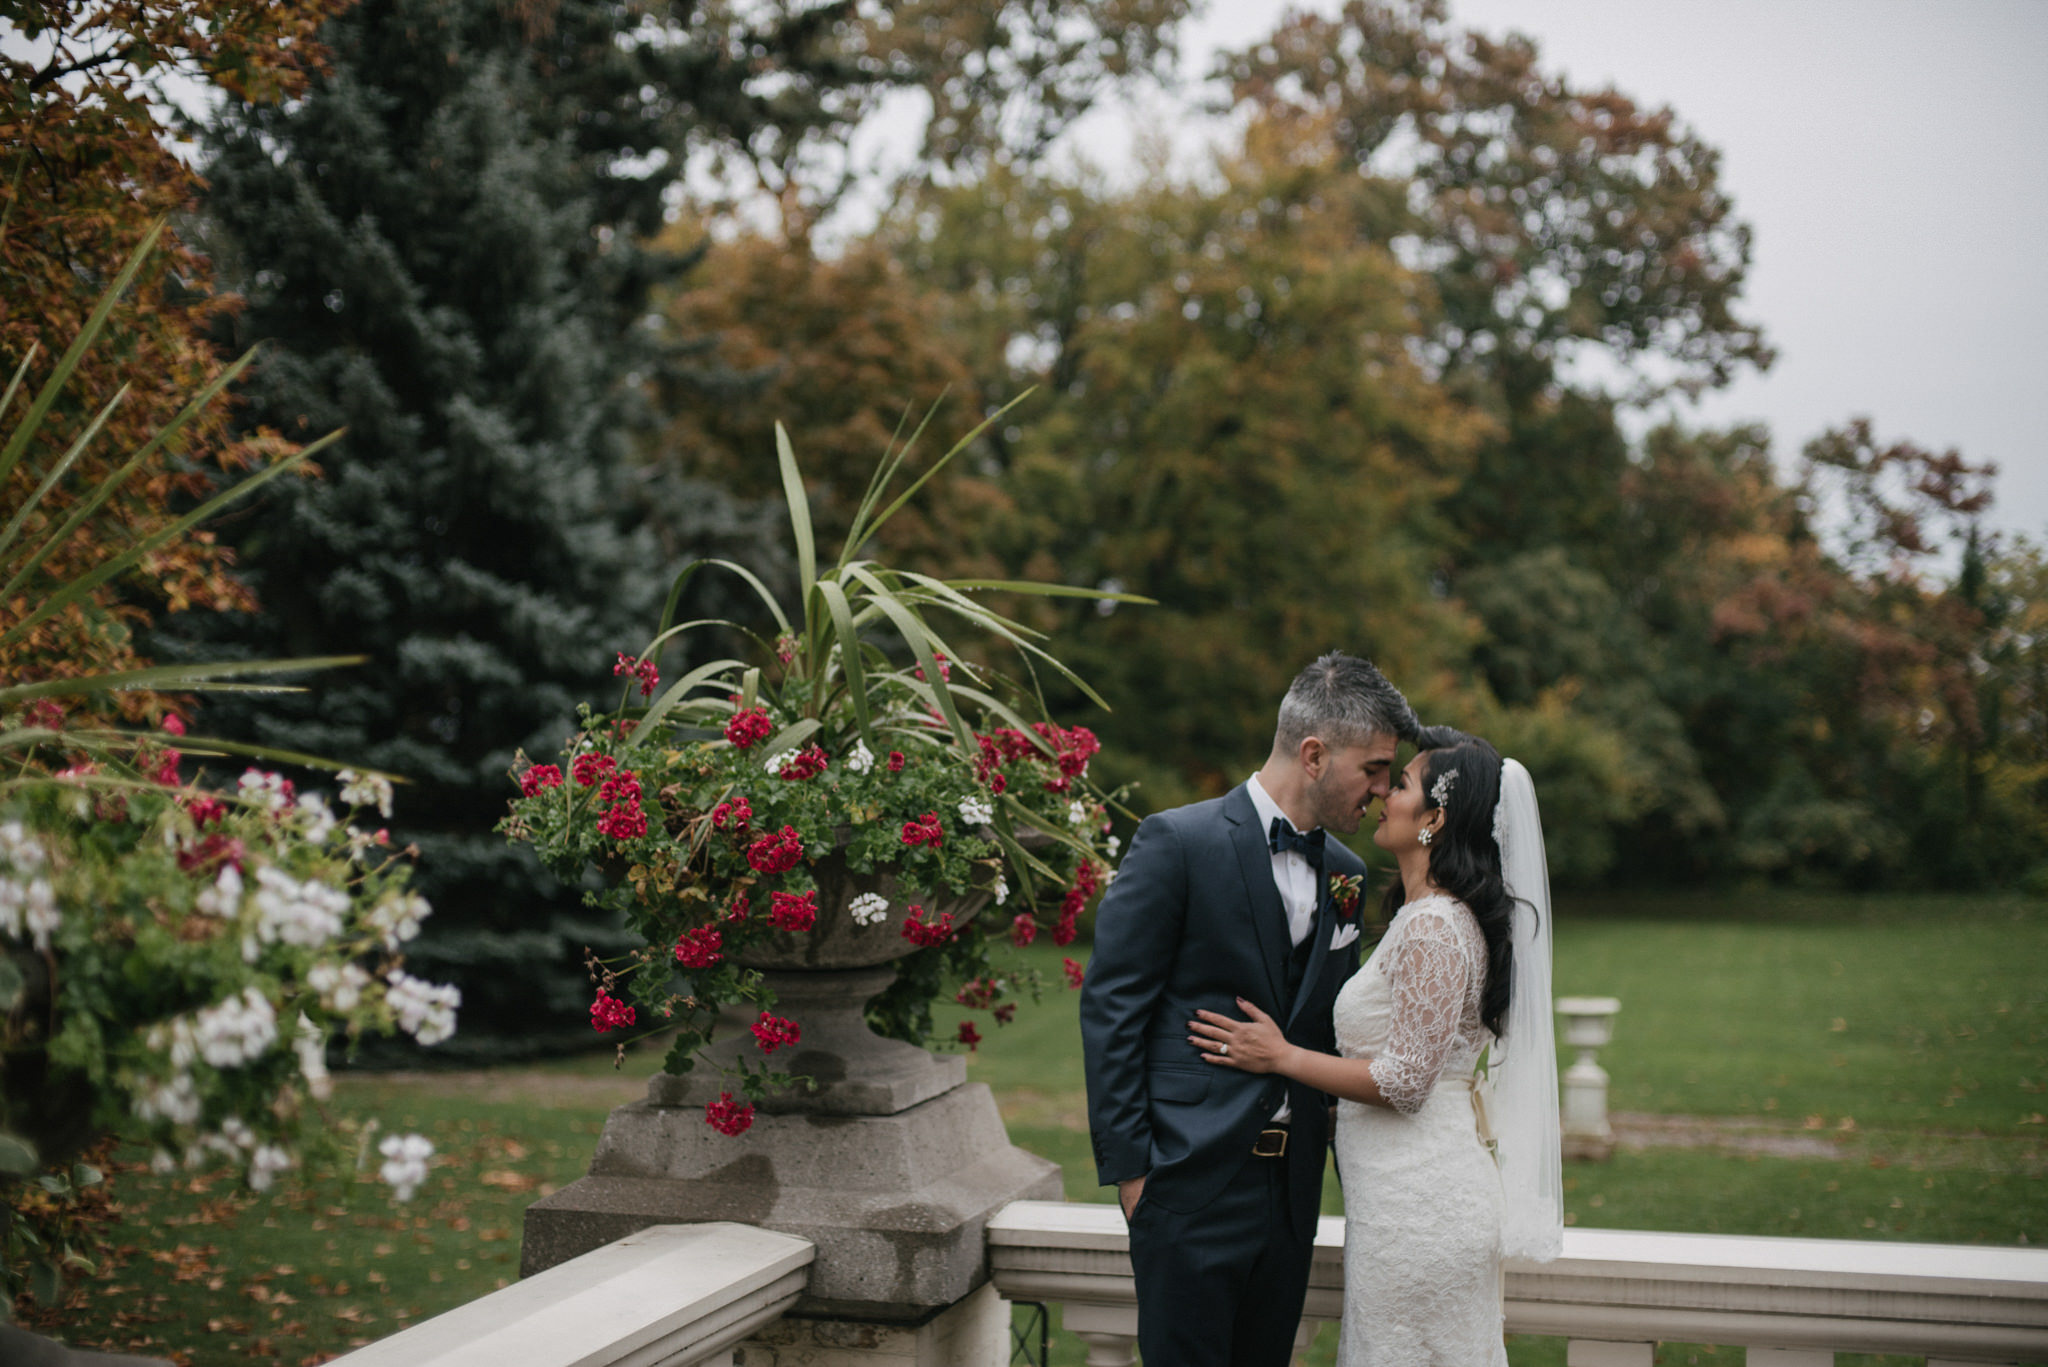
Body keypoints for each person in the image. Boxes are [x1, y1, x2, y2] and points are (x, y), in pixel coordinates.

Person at [1080, 652, 1418, 1367]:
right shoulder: (1178, 841)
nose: (1385, 791)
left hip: (1290, 1196)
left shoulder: (1347, 876)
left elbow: (1325, 1021)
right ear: (1316, 753)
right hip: (1186, 1183)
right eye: (1377, 768)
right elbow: (1112, 1008)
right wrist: (1136, 1177)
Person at [1188, 734, 1563, 1365]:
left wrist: (1281, 1057)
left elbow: (1408, 1081)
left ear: (1435, 821)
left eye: (1405, 785)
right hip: (1401, 1199)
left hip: (1420, 1212)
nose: (1386, 793)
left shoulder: (1436, 926)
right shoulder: (1432, 917)